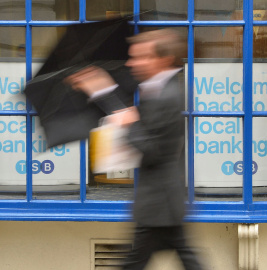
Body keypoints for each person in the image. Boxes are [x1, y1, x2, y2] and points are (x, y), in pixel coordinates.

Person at [67, 29, 203, 270]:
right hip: (162, 201)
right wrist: (105, 92)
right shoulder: (159, 88)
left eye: (141, 57)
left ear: (164, 59)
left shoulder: (166, 95)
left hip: (158, 202)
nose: (132, 63)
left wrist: (126, 118)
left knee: (135, 263)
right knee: (180, 259)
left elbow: (151, 150)